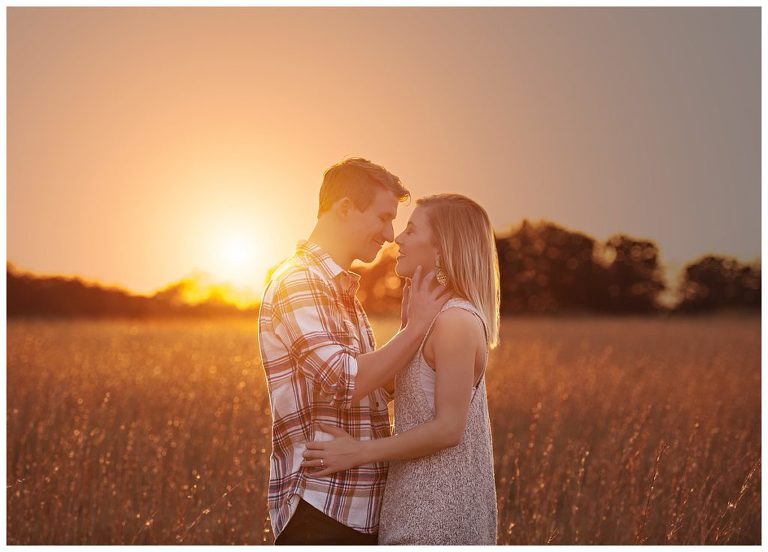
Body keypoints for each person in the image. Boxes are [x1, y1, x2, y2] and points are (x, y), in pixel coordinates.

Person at [258, 158, 450, 545]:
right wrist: (415, 331)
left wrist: (420, 339)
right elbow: (343, 383)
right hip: (321, 509)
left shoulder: (339, 291)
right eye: (382, 217)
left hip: (356, 510)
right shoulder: (299, 282)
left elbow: (375, 389)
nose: (389, 234)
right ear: (345, 208)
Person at [301, 193, 500, 545]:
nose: (397, 239)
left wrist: (359, 452)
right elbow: (397, 390)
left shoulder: (456, 320)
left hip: (440, 517)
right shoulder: (433, 319)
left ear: (440, 249)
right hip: (410, 508)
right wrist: (410, 329)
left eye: (411, 229)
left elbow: (449, 429)